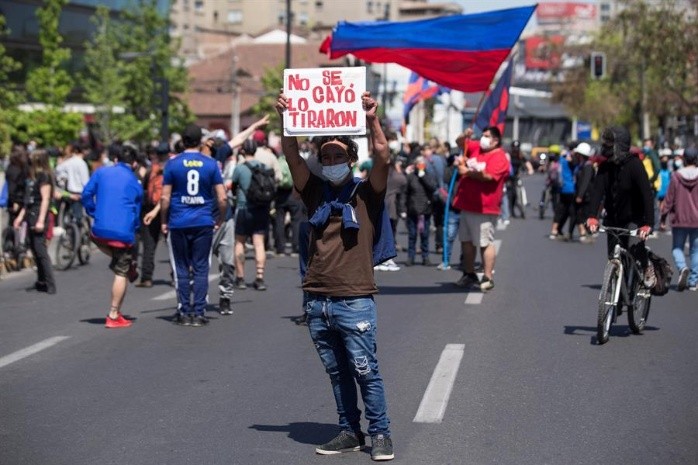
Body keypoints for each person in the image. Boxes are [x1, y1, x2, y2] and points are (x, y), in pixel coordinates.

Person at [276, 90, 395, 461]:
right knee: (337, 373)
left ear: (351, 158)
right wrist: (287, 119)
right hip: (317, 300)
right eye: (325, 156)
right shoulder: (314, 192)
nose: (330, 161)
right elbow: (291, 155)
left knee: (366, 372)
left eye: (337, 155)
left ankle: (381, 434)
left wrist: (372, 118)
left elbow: (384, 156)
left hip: (355, 299)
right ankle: (349, 431)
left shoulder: (366, 192)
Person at [161, 124, 227, 326]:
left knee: (181, 267)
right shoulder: (210, 164)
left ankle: (183, 310)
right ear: (200, 141)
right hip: (203, 221)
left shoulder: (172, 164)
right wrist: (220, 218)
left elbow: (165, 197)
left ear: (182, 140)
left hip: (178, 221)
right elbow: (222, 198)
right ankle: (198, 312)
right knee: (200, 268)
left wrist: (164, 220)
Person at [586, 126, 655, 303]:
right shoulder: (604, 167)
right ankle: (617, 295)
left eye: (610, 142)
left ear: (620, 144)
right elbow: (596, 193)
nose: (605, 146)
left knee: (633, 252)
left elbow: (647, 195)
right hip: (613, 220)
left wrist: (648, 224)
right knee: (614, 257)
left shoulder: (635, 165)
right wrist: (592, 215)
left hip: (634, 219)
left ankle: (645, 266)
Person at [82, 145, 143, 328]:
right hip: (123, 233)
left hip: (98, 230)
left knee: (103, 242)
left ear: (115, 159)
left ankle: (123, 261)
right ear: (133, 164)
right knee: (120, 272)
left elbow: (86, 194)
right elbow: (136, 216)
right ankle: (114, 314)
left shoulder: (101, 173)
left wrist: (93, 211)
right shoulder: (135, 183)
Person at [452, 126, 510, 292]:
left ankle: (487, 276)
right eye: (482, 135)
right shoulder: (477, 147)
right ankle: (469, 273)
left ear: (495, 140)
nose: (482, 139)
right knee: (466, 242)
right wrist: (465, 135)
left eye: (486, 136)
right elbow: (460, 143)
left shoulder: (500, 157)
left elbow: (489, 176)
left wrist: (468, 172)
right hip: (466, 204)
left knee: (484, 242)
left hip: (484, 208)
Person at [13, 150, 56, 294]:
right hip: (30, 212)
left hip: (38, 214)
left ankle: (50, 283)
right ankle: (41, 280)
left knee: (40, 250)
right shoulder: (32, 177)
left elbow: (45, 199)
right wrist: (20, 217)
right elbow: (27, 201)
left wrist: (41, 220)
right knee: (34, 249)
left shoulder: (44, 176)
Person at [231, 139, 272, 290]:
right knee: (259, 243)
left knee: (240, 242)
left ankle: (240, 278)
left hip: (244, 208)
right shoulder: (264, 167)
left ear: (243, 151)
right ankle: (259, 277)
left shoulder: (240, 168)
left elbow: (233, 187)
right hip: (261, 208)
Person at [660, 146, 698, 291]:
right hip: (696, 220)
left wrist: (663, 218)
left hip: (679, 218)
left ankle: (682, 267)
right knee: (696, 251)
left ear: (683, 158)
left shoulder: (676, 176)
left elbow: (669, 199)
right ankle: (694, 281)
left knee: (677, 248)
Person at [136, 142, 169, 288]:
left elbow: (143, 191)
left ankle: (146, 277)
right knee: (174, 245)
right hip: (169, 209)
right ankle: (177, 275)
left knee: (149, 245)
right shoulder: (172, 168)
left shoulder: (151, 170)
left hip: (149, 210)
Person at [404, 155, 437, 266]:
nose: (420, 165)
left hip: (425, 210)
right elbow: (405, 193)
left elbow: (433, 187)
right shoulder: (410, 177)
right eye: (418, 163)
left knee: (425, 235)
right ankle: (411, 257)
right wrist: (403, 209)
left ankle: (425, 256)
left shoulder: (429, 175)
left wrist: (423, 177)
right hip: (412, 209)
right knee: (412, 235)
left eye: (422, 163)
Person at [572, 142, 595, 243]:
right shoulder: (581, 165)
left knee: (584, 215)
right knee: (577, 213)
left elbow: (585, 182)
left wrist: (580, 195)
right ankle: (583, 232)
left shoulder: (588, 167)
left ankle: (587, 233)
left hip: (587, 196)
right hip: (581, 194)